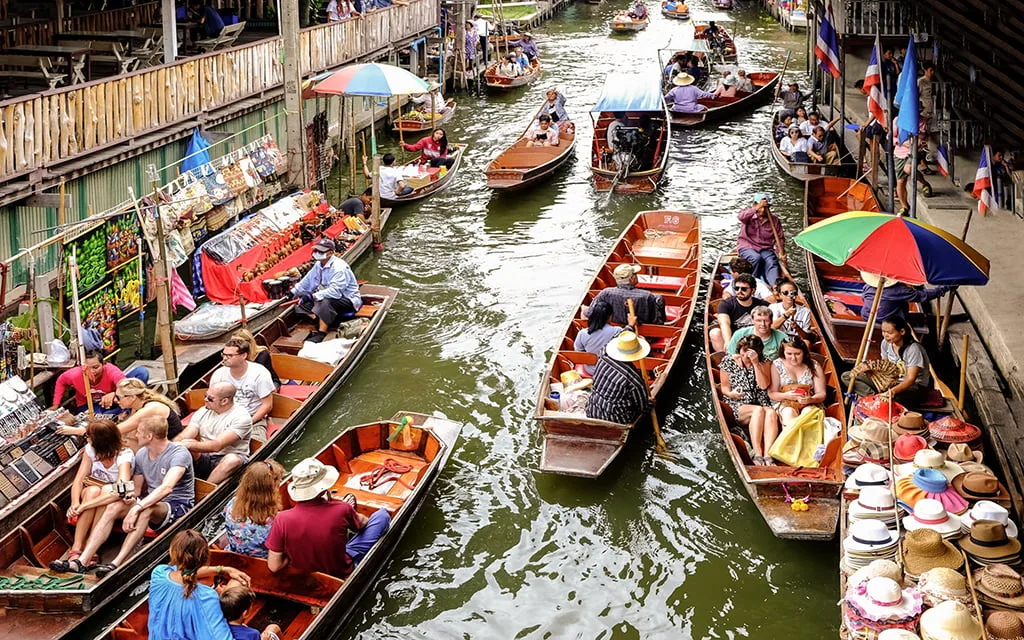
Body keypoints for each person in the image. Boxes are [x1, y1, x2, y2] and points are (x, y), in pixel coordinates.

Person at [77, 417, 195, 578]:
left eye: (138, 432)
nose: (134, 435)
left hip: (177, 505)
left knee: (147, 509)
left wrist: (137, 508)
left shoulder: (179, 453)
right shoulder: (140, 454)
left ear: (149, 436)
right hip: (151, 500)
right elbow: (137, 490)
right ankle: (82, 561)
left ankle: (116, 563)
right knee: (114, 506)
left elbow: (167, 488)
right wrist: (129, 498)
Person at [266, 458, 391, 578]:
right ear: (322, 489)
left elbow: (274, 566)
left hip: (307, 579)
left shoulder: (281, 518)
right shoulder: (342, 509)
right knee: (382, 515)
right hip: (341, 570)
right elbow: (363, 524)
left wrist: (293, 553)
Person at [48, 420, 134, 573]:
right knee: (93, 491)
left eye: (89, 436)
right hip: (93, 493)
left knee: (107, 490)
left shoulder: (124, 455)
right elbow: (79, 479)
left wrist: (84, 506)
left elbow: (122, 488)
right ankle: (77, 546)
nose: (87, 439)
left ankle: (90, 546)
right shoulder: (90, 449)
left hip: (111, 497)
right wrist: (75, 503)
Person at [147, 529, 251, 640]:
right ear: (206, 557)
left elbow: (184, 572)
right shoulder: (206, 596)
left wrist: (222, 569)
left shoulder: (158, 574)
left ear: (173, 552)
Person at [56, 377, 183, 443]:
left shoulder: (149, 409)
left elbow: (117, 430)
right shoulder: (137, 406)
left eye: (118, 397)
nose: (115, 400)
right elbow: (127, 433)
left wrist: (80, 431)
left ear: (132, 397)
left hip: (170, 443)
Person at [843, 316, 933, 406]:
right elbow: (884, 367)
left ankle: (880, 400)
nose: (885, 335)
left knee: (894, 400)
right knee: (847, 376)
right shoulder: (885, 343)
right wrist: (870, 369)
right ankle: (874, 397)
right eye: (883, 331)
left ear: (902, 332)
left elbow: (910, 379)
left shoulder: (914, 349)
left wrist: (892, 392)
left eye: (889, 332)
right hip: (891, 382)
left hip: (913, 387)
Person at [174, 382, 253, 484]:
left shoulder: (241, 417)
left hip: (227, 458)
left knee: (232, 460)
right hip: (205, 456)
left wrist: (189, 444)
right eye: (205, 396)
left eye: (210, 399)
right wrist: (172, 445)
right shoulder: (203, 411)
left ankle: (206, 491)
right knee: (185, 443)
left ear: (224, 401)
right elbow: (186, 435)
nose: (205, 400)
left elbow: (217, 445)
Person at [289, 239, 363, 345]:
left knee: (325, 301)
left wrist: (313, 296)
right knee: (299, 296)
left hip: (347, 300)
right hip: (325, 296)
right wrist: (292, 292)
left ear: (331, 253)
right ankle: (319, 319)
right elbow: (307, 281)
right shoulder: (319, 265)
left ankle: (321, 332)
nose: (318, 253)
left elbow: (335, 293)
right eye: (317, 250)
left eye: (321, 251)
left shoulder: (339, 268)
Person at [719, 335, 777, 464]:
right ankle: (757, 453)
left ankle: (768, 455)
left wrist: (755, 364)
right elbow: (724, 388)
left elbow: (763, 385)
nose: (746, 356)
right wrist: (732, 393)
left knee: (770, 412)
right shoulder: (729, 361)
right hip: (738, 403)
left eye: (750, 352)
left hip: (760, 401)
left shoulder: (764, 361)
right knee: (758, 411)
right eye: (744, 351)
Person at [211, 338, 275, 439]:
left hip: (252, 418)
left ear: (243, 356)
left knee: (254, 443)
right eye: (224, 354)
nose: (225, 358)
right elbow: (213, 401)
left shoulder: (259, 373)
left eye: (230, 355)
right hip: (225, 416)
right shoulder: (218, 374)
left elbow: (267, 405)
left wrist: (248, 422)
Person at [51, 349, 149, 413]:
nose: (92, 372)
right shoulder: (74, 374)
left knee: (142, 372)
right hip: (89, 405)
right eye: (88, 368)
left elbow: (123, 385)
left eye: (96, 367)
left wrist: (114, 394)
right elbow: (61, 381)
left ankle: (127, 408)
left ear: (103, 364)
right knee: (100, 419)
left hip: (115, 399)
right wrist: (56, 405)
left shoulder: (111, 370)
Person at [222, 460, 286, 559]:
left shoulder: (231, 504)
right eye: (278, 482)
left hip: (235, 558)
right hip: (263, 564)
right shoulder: (276, 522)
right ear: (270, 490)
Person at [585, 332, 650, 425]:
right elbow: (643, 407)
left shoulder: (603, 356)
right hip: (616, 421)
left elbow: (614, 338)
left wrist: (629, 327)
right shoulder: (634, 379)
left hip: (592, 411)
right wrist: (651, 403)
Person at [768, 336, 826, 426]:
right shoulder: (777, 365)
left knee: (808, 413)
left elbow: (821, 393)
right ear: (783, 353)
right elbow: (772, 393)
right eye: (789, 354)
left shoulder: (814, 365)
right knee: (788, 413)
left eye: (797, 354)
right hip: (784, 402)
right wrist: (786, 395)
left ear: (804, 352)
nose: (793, 358)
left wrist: (811, 399)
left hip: (809, 403)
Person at [586, 263, 665, 325]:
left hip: (616, 332)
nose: (637, 275)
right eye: (635, 274)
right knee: (659, 298)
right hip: (645, 334)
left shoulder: (605, 293)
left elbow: (590, 313)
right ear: (631, 279)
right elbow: (656, 321)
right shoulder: (647, 296)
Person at [859, 271, 949, 324]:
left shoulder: (868, 286)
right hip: (887, 319)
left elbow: (864, 298)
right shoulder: (898, 290)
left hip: (867, 315)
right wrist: (943, 289)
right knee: (921, 319)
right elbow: (921, 296)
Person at [737, 193, 786, 287]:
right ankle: (750, 283)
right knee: (755, 258)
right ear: (754, 205)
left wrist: (780, 252)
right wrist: (758, 206)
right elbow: (741, 217)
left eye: (766, 208)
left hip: (765, 249)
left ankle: (775, 286)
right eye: (761, 207)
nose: (763, 210)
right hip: (747, 246)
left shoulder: (774, 220)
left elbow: (780, 239)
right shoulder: (748, 215)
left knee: (772, 261)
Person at [710, 273, 768, 353]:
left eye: (744, 289)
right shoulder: (726, 304)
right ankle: (726, 358)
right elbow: (724, 323)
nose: (739, 291)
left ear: (753, 290)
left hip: (755, 340)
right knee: (715, 332)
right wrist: (728, 342)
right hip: (734, 339)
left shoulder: (761, 305)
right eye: (737, 288)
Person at [574, 300, 620, 375]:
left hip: (591, 370)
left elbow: (579, 352)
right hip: (613, 371)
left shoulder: (582, 333)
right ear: (610, 316)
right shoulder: (617, 331)